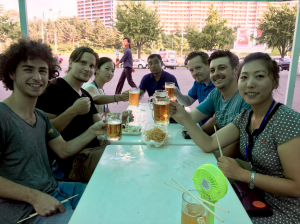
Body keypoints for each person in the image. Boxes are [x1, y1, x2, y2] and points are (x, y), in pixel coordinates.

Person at [170, 52, 300, 224]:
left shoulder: (287, 120)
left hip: (283, 209)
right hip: (252, 194)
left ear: (275, 81)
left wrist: (244, 175)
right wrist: (183, 116)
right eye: (244, 77)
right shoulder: (245, 117)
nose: (250, 84)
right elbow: (209, 143)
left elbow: (296, 187)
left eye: (259, 76)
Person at [0, 39, 107, 224]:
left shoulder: (40, 117)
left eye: (42, 71)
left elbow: (64, 150)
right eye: (28, 69)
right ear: (11, 73)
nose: (38, 77)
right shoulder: (3, 117)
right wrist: (35, 197)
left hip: (55, 190)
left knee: (111, 196)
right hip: (25, 211)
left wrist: (93, 131)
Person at [36, 47, 133, 182]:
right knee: (126, 165)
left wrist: (118, 119)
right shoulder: (53, 89)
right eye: (82, 63)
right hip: (76, 162)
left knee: (132, 154)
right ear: (70, 63)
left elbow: (100, 124)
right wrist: (73, 111)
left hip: (95, 150)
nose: (87, 68)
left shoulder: (85, 94)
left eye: (91, 65)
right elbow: (46, 131)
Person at [174, 51, 215, 126]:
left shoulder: (218, 86)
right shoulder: (198, 83)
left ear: (209, 65)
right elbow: (187, 102)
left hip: (215, 133)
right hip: (201, 125)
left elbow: (215, 121)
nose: (195, 73)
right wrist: (176, 93)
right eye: (191, 70)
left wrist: (199, 132)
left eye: (198, 68)